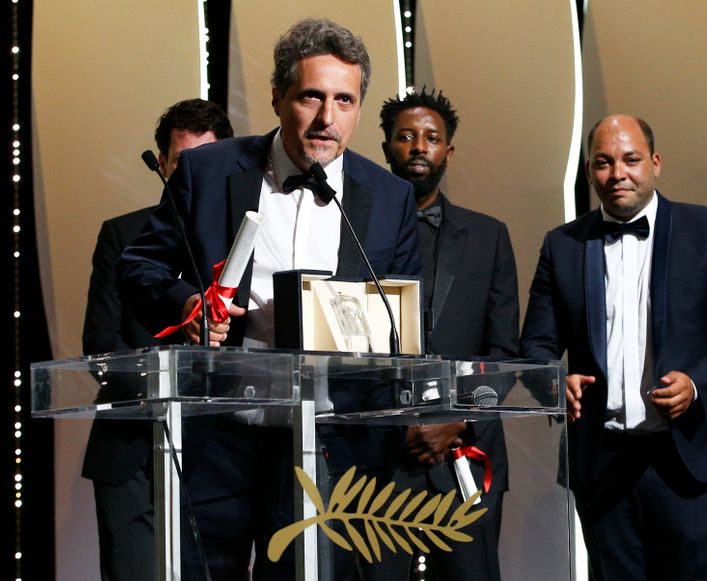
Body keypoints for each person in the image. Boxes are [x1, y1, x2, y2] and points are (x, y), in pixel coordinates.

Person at [117, 18, 421, 580]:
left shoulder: (391, 197)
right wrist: (187, 307)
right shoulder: (209, 172)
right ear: (278, 96)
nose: (328, 118)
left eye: (345, 101)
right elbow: (139, 266)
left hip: (327, 450)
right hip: (219, 436)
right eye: (312, 96)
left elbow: (400, 323)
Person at [520, 114, 707, 580]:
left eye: (631, 160)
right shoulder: (562, 245)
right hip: (604, 464)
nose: (618, 174)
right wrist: (554, 381)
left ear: (655, 163)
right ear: (589, 170)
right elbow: (535, 343)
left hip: (693, 462)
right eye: (603, 163)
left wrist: (696, 383)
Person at [81, 98, 233, 581]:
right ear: (162, 164)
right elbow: (101, 341)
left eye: (205, 162)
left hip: (219, 452)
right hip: (131, 450)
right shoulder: (121, 235)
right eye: (182, 163)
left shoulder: (244, 240)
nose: (192, 175)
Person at [378, 88, 518, 580]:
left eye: (431, 138)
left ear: (448, 152)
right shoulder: (349, 232)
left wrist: (456, 418)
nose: (419, 146)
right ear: (386, 148)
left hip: (466, 452)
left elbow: (504, 353)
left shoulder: (489, 235)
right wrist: (402, 425)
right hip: (380, 459)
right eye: (406, 137)